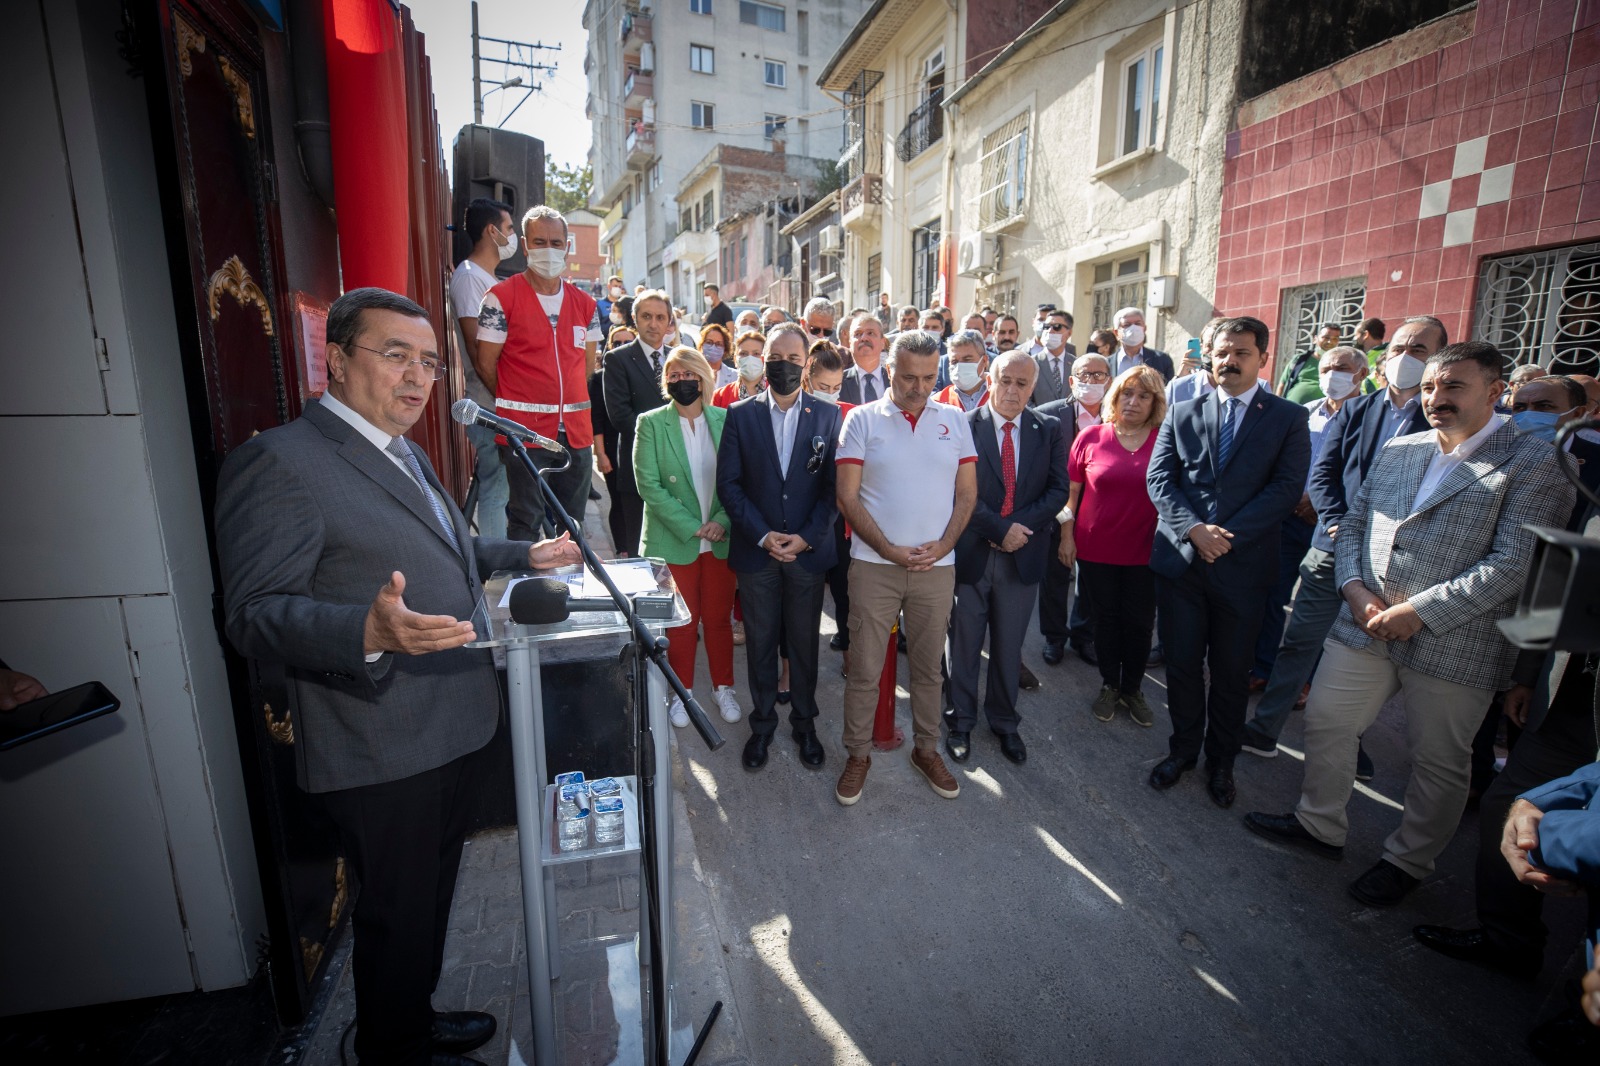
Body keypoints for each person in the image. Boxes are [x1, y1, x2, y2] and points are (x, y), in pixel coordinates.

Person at [215, 287, 582, 1066]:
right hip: (379, 740)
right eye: (395, 356)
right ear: (337, 360)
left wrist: (524, 554)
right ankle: (393, 1050)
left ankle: (409, 1020)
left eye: (429, 362)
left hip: (453, 721)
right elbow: (252, 614)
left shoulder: (403, 449)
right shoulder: (280, 463)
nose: (417, 377)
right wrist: (365, 631)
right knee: (395, 912)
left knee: (428, 901)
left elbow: (448, 548)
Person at [1244, 341, 1574, 906]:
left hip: (1458, 640)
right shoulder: (1402, 447)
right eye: (1428, 388)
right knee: (1326, 719)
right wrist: (1353, 589)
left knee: (1438, 760)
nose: (1435, 398)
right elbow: (1355, 524)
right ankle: (1319, 823)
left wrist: (1420, 612)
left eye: (1453, 387)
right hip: (1365, 620)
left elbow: (1514, 562)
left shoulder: (1535, 463)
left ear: (1496, 392)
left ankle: (1407, 860)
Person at [1240, 317, 1441, 762]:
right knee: (1301, 640)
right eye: (1398, 349)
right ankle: (1264, 728)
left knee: (1373, 659)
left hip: (1399, 560)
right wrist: (1336, 523)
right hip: (1333, 545)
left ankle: (1355, 745)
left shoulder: (1440, 418)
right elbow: (1324, 474)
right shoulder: (1358, 410)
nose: (1405, 358)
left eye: (1419, 350)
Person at [1146, 315, 1311, 808]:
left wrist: (1227, 538)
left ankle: (1222, 762)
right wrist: (1194, 530)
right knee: (1181, 666)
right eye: (1221, 352)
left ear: (1263, 358)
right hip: (1182, 564)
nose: (1229, 361)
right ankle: (1183, 750)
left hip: (1244, 568)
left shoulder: (1286, 417)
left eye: (1241, 353)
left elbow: (1286, 490)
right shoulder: (1182, 410)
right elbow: (1160, 480)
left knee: (1231, 672)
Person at [834, 330, 977, 804]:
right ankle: (858, 755)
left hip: (937, 568)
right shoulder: (861, 420)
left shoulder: (954, 420)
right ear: (889, 370)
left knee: (929, 670)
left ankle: (926, 749)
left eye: (929, 377)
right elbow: (847, 497)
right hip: (874, 567)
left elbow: (967, 494)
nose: (920, 388)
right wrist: (890, 550)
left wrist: (944, 545)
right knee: (865, 670)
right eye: (909, 377)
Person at [717, 323, 842, 771]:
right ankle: (763, 724)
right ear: (762, 358)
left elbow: (834, 489)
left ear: (806, 364)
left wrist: (806, 537)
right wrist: (763, 535)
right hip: (758, 553)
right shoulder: (739, 414)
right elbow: (729, 485)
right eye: (775, 357)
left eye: (793, 358)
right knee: (761, 643)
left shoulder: (828, 416)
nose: (782, 365)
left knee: (805, 644)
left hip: (807, 554)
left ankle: (805, 724)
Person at [946, 351, 1069, 765]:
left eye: (1022, 383)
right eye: (1005, 381)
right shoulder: (963, 426)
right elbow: (955, 488)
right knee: (963, 645)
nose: (1013, 391)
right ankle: (960, 720)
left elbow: (1057, 490)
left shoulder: (1047, 429)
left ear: (1033, 387)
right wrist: (999, 530)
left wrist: (1017, 530)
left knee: (1008, 645)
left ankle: (1003, 721)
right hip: (972, 552)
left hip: (1023, 554)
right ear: (989, 380)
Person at [473, 206, 601, 538]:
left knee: (572, 525)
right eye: (540, 241)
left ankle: (570, 572)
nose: (549, 249)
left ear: (567, 248)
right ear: (525, 245)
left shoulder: (586, 305)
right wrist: (514, 400)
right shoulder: (500, 298)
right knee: (525, 522)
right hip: (524, 434)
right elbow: (485, 364)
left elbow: (587, 366)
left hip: (576, 433)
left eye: (556, 243)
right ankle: (523, 574)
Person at [1248, 345, 1369, 695]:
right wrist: (1293, 499)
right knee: (1273, 595)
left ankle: (1305, 679)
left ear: (1361, 374)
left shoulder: (1368, 417)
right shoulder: (1305, 413)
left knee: (1316, 608)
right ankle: (1263, 667)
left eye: (1341, 367)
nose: (1331, 375)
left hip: (1335, 524)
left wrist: (1321, 504)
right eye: (1326, 368)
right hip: (1290, 518)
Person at [632, 346, 743, 727]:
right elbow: (649, 485)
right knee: (680, 622)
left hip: (720, 538)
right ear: (666, 382)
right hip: (674, 538)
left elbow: (741, 479)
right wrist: (693, 526)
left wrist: (721, 521)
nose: (682, 381)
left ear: (703, 378)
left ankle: (723, 687)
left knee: (718, 619)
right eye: (674, 375)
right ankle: (682, 693)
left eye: (689, 374)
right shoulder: (650, 423)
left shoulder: (726, 419)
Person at [1062, 366, 1166, 726]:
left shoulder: (1165, 441)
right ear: (1115, 398)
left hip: (1146, 551)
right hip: (1095, 549)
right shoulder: (1090, 437)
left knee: (1140, 623)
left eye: (1144, 395)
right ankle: (1110, 684)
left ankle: (1132, 689)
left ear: (1155, 402)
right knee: (1105, 620)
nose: (1133, 402)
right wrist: (1066, 537)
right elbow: (1071, 495)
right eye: (1127, 394)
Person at [1033, 352, 1112, 666]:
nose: (1091, 381)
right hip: (1056, 509)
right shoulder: (1047, 416)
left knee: (1091, 579)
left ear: (1109, 380)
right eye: (1084, 375)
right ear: (1071, 380)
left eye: (1098, 375)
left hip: (1100, 515)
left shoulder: (1119, 416)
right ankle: (1054, 637)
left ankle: (1084, 635)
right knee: (1054, 578)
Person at [449, 197, 516, 539]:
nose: (513, 236)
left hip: (499, 403)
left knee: (502, 489)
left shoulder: (487, 277)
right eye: (509, 228)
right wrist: (505, 399)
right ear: (492, 231)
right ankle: (496, 560)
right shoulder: (469, 278)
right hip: (490, 405)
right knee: (496, 490)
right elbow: (479, 352)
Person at [603, 289, 677, 557]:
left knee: (676, 545)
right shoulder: (618, 359)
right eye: (646, 316)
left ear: (669, 322)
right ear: (635, 319)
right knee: (641, 547)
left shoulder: (679, 358)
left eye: (660, 317)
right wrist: (667, 436)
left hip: (678, 465)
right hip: (639, 465)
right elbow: (620, 416)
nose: (653, 324)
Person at [1280, 323, 1342, 404]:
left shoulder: (1340, 364)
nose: (1330, 342)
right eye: (1326, 337)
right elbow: (1282, 384)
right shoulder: (1300, 359)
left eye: (1335, 339)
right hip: (1292, 407)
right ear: (1315, 339)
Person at [1113, 306, 1174, 383]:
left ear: (1144, 328)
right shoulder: (1107, 363)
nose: (1133, 328)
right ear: (1116, 333)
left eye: (1137, 324)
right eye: (1127, 325)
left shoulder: (1162, 360)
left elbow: (1170, 388)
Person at [933, 329, 990, 411]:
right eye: (954, 361)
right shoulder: (938, 402)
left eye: (967, 359)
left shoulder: (1000, 396)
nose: (959, 366)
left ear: (984, 361)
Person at [1030, 309, 1077, 404]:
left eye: (1057, 327)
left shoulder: (1075, 364)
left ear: (1069, 332)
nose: (1050, 330)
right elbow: (1025, 399)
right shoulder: (1031, 363)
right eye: (1046, 327)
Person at [839, 316, 889, 404]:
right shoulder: (838, 383)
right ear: (850, 343)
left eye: (870, 333)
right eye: (857, 334)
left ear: (883, 343)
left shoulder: (895, 381)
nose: (864, 338)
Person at [714, 329, 767, 407]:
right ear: (735, 360)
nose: (750, 358)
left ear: (764, 358)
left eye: (756, 354)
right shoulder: (720, 396)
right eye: (743, 353)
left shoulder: (776, 392)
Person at [699, 322, 737, 390]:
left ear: (725, 349)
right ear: (702, 345)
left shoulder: (735, 376)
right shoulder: (694, 373)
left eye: (718, 344)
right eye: (709, 342)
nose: (713, 347)